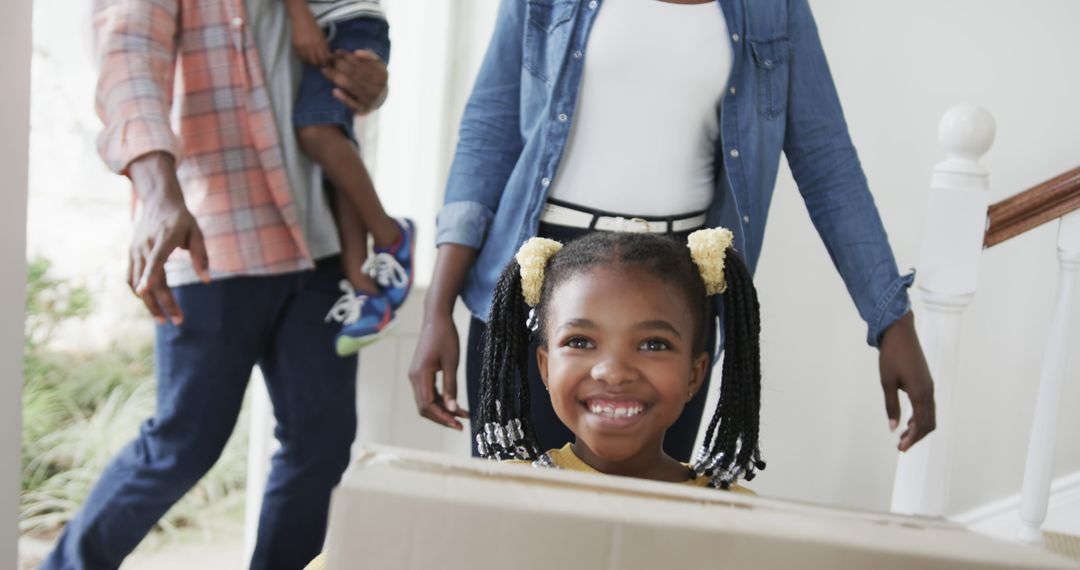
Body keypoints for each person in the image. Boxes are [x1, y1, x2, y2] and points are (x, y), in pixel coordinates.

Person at [409, 0, 935, 461]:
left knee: (643, 525)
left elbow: (827, 161)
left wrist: (892, 320)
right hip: (542, 279)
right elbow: (489, 129)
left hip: (676, 289)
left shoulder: (774, 8)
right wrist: (438, 309)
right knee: (515, 523)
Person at [42, 0, 389, 566]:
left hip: (322, 244)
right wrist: (156, 194)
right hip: (215, 239)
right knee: (181, 446)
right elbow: (129, 58)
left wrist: (367, 81)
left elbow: (342, 41)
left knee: (321, 450)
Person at [304, 228, 758, 570]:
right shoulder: (497, 497)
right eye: (580, 342)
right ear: (544, 367)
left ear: (695, 374)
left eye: (653, 344)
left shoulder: (739, 519)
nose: (613, 371)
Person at [283, 0, 416, 355]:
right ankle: (367, 294)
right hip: (339, 20)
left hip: (343, 20)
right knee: (336, 164)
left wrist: (299, 16)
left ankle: (391, 235)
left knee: (315, 131)